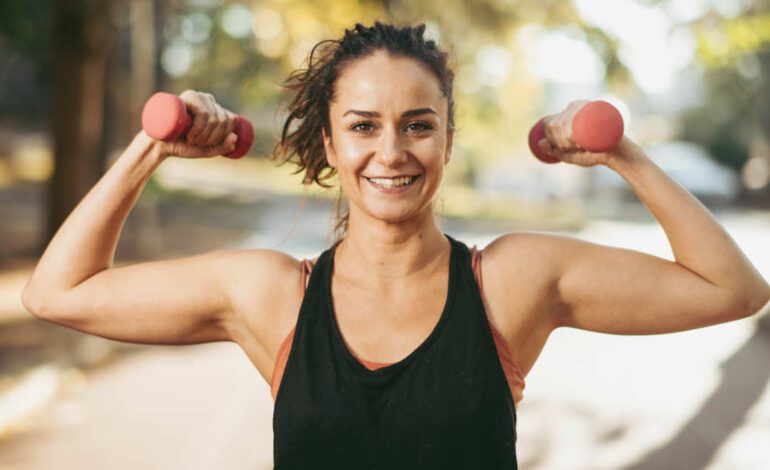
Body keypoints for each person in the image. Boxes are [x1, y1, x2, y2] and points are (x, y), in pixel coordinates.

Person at [21, 21, 770, 469]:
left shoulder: (510, 282)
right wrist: (151, 149)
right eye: (363, 125)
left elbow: (731, 288)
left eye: (418, 123)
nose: (392, 151)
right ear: (329, 139)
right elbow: (58, 292)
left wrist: (621, 153)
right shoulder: (272, 295)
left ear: (447, 137)